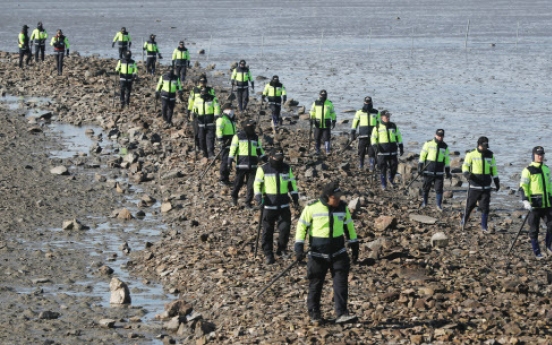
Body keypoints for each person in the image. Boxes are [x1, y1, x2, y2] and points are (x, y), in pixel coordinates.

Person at [294, 181, 359, 324]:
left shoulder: (342, 208)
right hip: (317, 255)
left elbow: (349, 227)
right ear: (329, 196)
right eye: (336, 197)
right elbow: (301, 226)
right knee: (315, 285)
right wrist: (299, 247)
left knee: (341, 285)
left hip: (339, 253)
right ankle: (314, 315)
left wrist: (354, 245)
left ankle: (342, 313)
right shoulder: (312, 208)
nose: (340, 199)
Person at [254, 147, 299, 264]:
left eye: (281, 157)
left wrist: (295, 197)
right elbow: (257, 185)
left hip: (283, 205)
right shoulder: (263, 169)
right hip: (269, 206)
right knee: (267, 230)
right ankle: (268, 253)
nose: (279, 159)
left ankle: (281, 249)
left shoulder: (286, 168)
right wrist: (258, 198)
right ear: (271, 157)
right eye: (277, 157)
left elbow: (292, 184)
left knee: (285, 229)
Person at [461, 136, 500, 232]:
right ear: (479, 145)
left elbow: (494, 169)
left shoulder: (490, 155)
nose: (485, 148)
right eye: (484, 146)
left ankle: (484, 227)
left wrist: (496, 181)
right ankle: (463, 223)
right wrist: (466, 174)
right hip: (474, 185)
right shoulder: (471, 154)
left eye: (486, 146)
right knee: (469, 206)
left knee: (485, 207)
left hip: (486, 186)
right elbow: (465, 165)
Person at [519, 146, 552, 259]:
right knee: (534, 230)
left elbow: (550, 186)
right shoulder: (528, 170)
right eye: (538, 154)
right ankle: (537, 252)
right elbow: (523, 187)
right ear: (533, 155)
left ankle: (548, 246)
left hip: (547, 204)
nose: (540, 156)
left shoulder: (547, 169)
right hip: (534, 205)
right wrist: (525, 200)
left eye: (542, 154)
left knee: (551, 225)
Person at [228, 120, 266, 208]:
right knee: (238, 183)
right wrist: (229, 160)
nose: (253, 127)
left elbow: (260, 151)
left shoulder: (255, 137)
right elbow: (233, 149)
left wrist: (267, 160)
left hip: (253, 165)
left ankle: (247, 203)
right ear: (245, 126)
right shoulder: (238, 136)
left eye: (253, 125)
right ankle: (234, 197)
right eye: (251, 125)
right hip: (241, 165)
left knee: (251, 186)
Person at [418, 129, 451, 211]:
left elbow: (447, 160)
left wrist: (447, 171)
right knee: (426, 188)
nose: (440, 137)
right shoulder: (428, 143)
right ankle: (424, 203)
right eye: (439, 135)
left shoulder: (445, 146)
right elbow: (422, 155)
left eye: (441, 136)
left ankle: (439, 205)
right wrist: (420, 166)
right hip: (428, 170)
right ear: (435, 135)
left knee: (439, 189)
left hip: (439, 171)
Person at [371, 110, 403, 190]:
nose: (388, 118)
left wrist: (401, 145)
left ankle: (391, 178)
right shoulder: (377, 127)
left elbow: (398, 136)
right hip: (382, 151)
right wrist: (375, 146)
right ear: (382, 117)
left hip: (392, 150)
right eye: (386, 116)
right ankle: (384, 184)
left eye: (389, 116)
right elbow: (373, 138)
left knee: (394, 166)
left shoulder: (393, 126)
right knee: (383, 168)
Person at [350, 96, 380, 171]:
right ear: (364, 102)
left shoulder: (376, 112)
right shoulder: (359, 112)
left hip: (372, 137)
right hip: (362, 136)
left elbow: (380, 125)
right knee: (361, 151)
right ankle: (361, 165)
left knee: (372, 152)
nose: (367, 104)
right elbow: (354, 123)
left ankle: (372, 166)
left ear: (371, 102)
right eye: (366, 102)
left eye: (369, 102)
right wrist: (353, 133)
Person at [192, 87, 221, 158]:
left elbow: (217, 108)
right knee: (201, 138)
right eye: (202, 92)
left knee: (210, 139)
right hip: (200, 123)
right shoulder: (197, 99)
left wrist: (216, 117)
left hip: (210, 122)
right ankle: (203, 153)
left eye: (204, 92)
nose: (203, 93)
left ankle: (211, 153)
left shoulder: (213, 98)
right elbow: (194, 108)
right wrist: (193, 113)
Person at [309, 90, 336, 155]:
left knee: (327, 138)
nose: (323, 96)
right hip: (318, 124)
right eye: (322, 95)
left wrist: (334, 120)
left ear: (326, 96)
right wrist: (311, 119)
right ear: (319, 95)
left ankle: (327, 151)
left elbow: (332, 113)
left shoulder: (329, 103)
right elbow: (312, 112)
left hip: (326, 124)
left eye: (324, 95)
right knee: (317, 137)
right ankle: (318, 150)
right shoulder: (316, 103)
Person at [216, 103, 237, 185]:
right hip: (225, 141)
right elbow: (219, 131)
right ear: (226, 110)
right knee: (225, 160)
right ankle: (223, 179)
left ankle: (227, 178)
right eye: (230, 109)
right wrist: (221, 141)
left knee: (230, 160)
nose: (232, 111)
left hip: (232, 141)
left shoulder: (230, 119)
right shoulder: (221, 119)